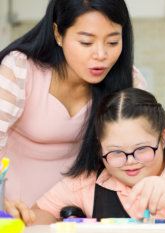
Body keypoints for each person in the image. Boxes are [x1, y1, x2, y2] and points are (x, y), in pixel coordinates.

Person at [17, 88, 165, 225]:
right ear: (100, 148)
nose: (130, 160)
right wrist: (17, 216)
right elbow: (35, 223)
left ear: (163, 138)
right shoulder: (87, 184)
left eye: (142, 149)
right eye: (115, 153)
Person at [0, 0, 147, 218]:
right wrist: (3, 202)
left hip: (80, 217)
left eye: (113, 42)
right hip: (14, 212)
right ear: (58, 33)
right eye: (86, 42)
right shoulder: (20, 69)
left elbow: (158, 142)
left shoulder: (129, 81)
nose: (101, 54)